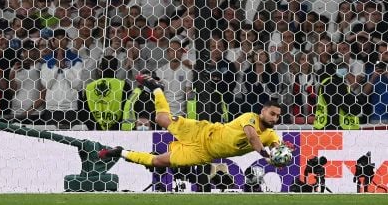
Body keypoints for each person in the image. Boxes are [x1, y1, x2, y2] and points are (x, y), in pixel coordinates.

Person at [99, 75, 289, 169]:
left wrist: (282, 154)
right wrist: (266, 156)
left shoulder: (271, 134)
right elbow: (252, 137)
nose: (275, 119)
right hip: (203, 132)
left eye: (278, 116)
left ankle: (120, 152)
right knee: (160, 118)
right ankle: (156, 89)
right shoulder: (250, 118)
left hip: (203, 153)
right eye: (272, 114)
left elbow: (277, 147)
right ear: (263, 111)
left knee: (158, 161)